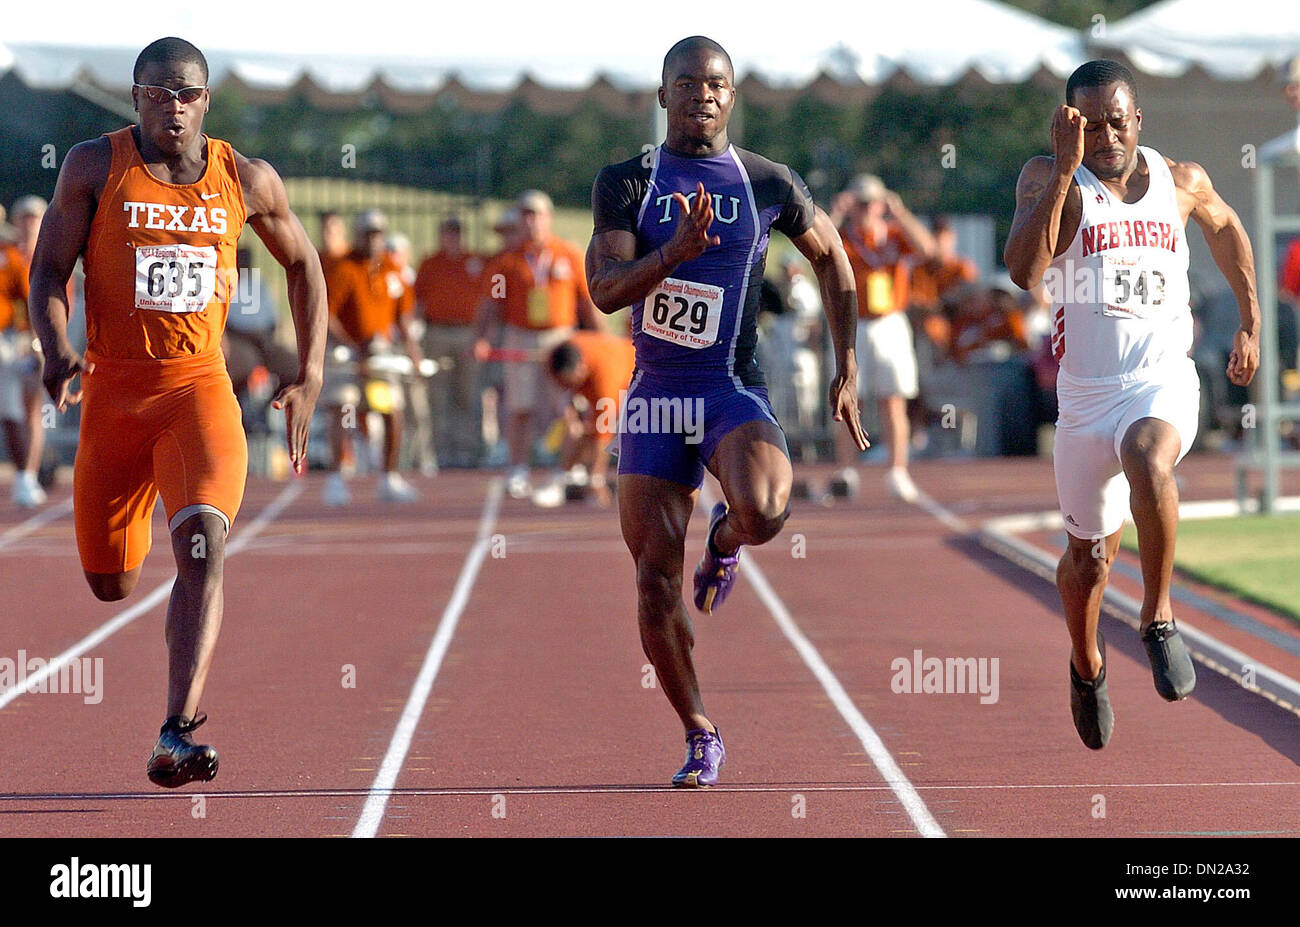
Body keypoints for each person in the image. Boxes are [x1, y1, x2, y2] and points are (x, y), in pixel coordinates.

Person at [27, 37, 327, 786]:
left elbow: (303, 263)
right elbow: (49, 270)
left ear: (206, 100)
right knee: (110, 584)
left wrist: (311, 372)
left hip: (199, 391)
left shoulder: (246, 178)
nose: (174, 106)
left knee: (203, 547)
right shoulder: (95, 167)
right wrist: (54, 345)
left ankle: (176, 730)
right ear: (135, 98)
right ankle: (163, 593)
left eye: (188, 93)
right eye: (158, 93)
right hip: (112, 395)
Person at [586, 36, 867, 787]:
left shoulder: (766, 181)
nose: (702, 96)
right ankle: (700, 729)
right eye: (687, 84)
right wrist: (672, 253)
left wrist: (846, 366)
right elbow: (606, 289)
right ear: (663, 96)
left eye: (716, 85)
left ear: (732, 96)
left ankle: (728, 536)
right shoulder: (627, 181)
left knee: (770, 509)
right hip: (655, 394)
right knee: (652, 581)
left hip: (727, 386)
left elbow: (834, 259)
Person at [1005, 59, 1260, 750]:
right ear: (1069, 125)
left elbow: (1228, 227)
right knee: (1087, 560)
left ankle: (1158, 617)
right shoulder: (1048, 177)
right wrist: (1062, 171)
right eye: (1091, 126)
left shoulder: (1181, 180)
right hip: (1085, 401)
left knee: (1149, 455)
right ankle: (1086, 664)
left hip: (1160, 380)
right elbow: (1025, 271)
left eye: (1119, 121)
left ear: (1138, 119)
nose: (1108, 136)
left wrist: (1249, 317)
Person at [475, 190, 602, 499]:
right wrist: (482, 337)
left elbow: (587, 301)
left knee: (567, 407)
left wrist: (601, 338)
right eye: (525, 215)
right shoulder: (508, 260)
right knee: (520, 405)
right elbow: (490, 305)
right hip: (520, 336)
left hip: (560, 337)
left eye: (537, 215)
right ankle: (518, 469)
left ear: (549, 218)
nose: (531, 222)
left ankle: (569, 470)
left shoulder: (568, 254)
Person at [832, 174, 934, 502]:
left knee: (893, 399)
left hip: (890, 320)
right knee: (849, 401)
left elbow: (928, 249)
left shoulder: (893, 234)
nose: (866, 210)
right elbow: (818, 250)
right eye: (860, 204)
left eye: (871, 203)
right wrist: (836, 213)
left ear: (881, 203)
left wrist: (901, 214)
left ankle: (897, 470)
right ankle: (847, 471)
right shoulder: (845, 236)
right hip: (854, 322)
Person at [321, 208, 421, 504]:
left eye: (378, 234)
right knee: (342, 406)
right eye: (368, 234)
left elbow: (404, 315)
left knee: (391, 409)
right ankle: (337, 476)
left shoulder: (392, 269)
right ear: (358, 236)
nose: (374, 240)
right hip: (348, 356)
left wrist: (412, 349)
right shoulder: (343, 268)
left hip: (380, 355)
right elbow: (327, 314)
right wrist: (351, 344)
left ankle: (389, 476)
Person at [414, 217, 486, 468]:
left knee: (468, 394)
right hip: (437, 332)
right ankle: (441, 450)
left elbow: (487, 299)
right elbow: (418, 300)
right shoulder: (430, 264)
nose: (452, 240)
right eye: (447, 234)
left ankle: (468, 450)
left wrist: (481, 335)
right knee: (438, 394)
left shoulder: (474, 262)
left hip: (467, 332)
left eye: (456, 234)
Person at [542, 331, 636, 506]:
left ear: (582, 367)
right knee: (574, 429)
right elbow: (556, 390)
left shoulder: (606, 380)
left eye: (572, 381)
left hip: (632, 380)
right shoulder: (556, 357)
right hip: (592, 383)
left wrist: (597, 477)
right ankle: (564, 476)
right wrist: (568, 415)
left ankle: (594, 479)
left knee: (621, 431)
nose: (570, 385)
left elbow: (603, 434)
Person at [1, 196, 52, 507]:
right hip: (11, 341)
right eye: (24, 218)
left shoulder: (52, 255)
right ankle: (26, 475)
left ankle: (28, 474)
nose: (29, 224)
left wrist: (40, 343)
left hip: (28, 342)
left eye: (34, 218)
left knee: (31, 410)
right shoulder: (9, 254)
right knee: (13, 411)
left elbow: (49, 306)